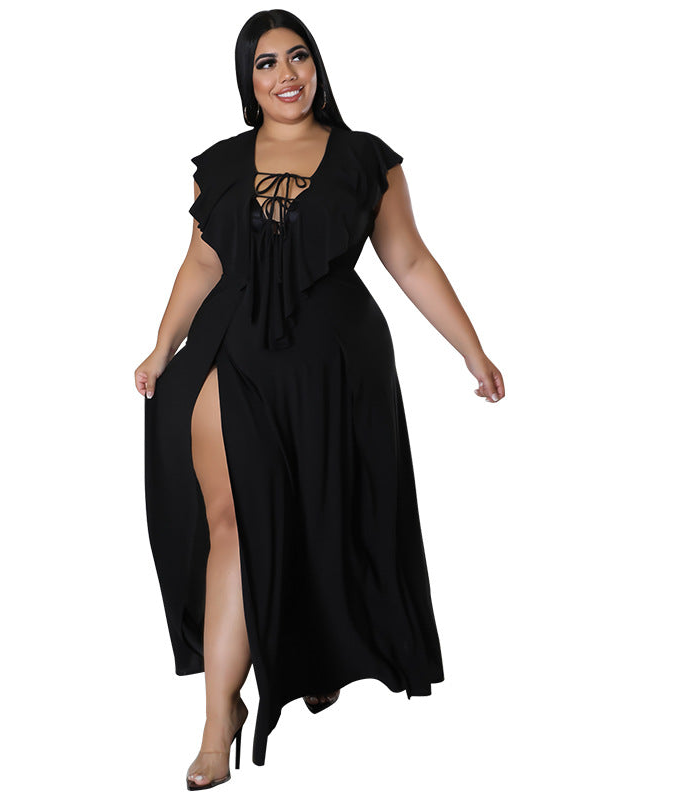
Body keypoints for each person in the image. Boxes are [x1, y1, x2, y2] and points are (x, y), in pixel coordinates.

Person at [135, 10, 505, 791]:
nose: (286, 74)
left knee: (317, 517)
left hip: (336, 365)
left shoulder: (368, 160)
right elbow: (201, 263)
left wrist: (472, 351)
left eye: (298, 56)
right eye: (266, 63)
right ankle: (218, 719)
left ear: (318, 66)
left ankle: (310, 656)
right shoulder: (221, 165)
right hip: (230, 351)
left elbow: (408, 260)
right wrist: (162, 345)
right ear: (249, 81)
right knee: (234, 522)